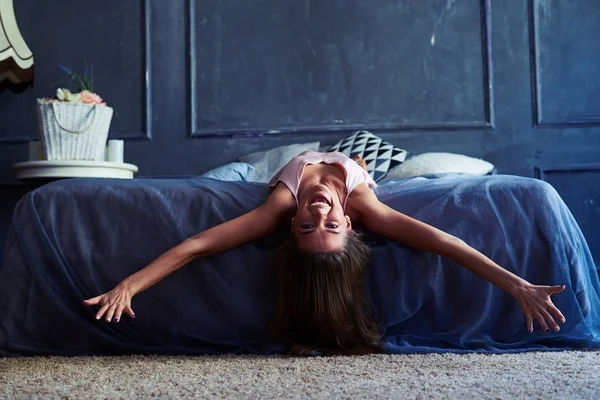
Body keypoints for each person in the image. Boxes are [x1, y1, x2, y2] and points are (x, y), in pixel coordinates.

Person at [83, 151, 567, 355]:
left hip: (296, 165)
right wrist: (515, 284)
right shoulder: (364, 205)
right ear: (350, 225)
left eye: (311, 225)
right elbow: (447, 243)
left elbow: (196, 246)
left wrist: (130, 284)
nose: (318, 213)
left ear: (291, 226)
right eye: (329, 226)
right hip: (347, 167)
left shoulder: (281, 203)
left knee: (233, 174)